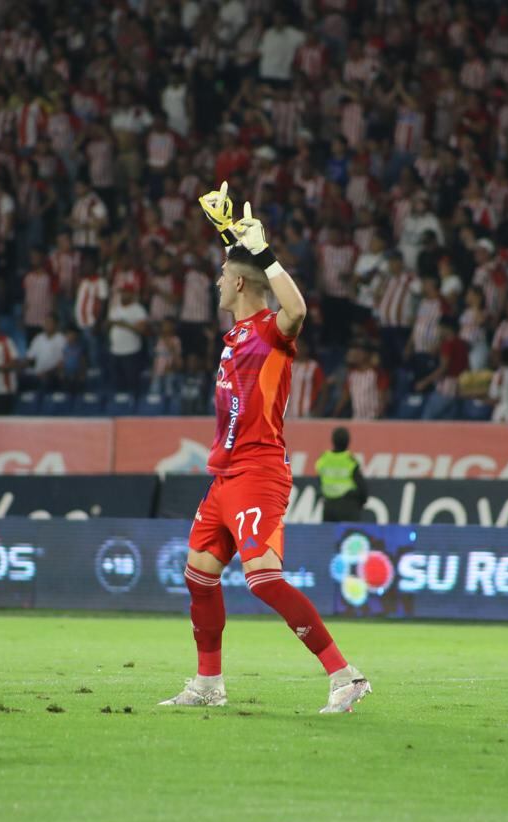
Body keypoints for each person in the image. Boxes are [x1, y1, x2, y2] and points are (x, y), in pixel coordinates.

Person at [161, 183, 369, 714]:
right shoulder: (234, 335)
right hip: (225, 476)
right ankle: (209, 685)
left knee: (262, 578)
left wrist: (265, 253)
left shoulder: (272, 331)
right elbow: (245, 268)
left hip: (259, 472)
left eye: (221, 278)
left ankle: (345, 675)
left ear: (237, 284)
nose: (215, 283)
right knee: (198, 572)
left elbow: (295, 309)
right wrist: (235, 236)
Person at [316, 427, 369, 522]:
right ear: (348, 442)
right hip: (348, 507)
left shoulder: (323, 459)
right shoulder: (350, 461)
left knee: (328, 536)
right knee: (350, 535)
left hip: (328, 507)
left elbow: (319, 482)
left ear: (332, 440)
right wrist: (361, 503)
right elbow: (362, 489)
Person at [106, 283, 150, 395]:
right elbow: (109, 326)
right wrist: (107, 324)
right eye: (122, 292)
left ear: (132, 294)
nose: (123, 295)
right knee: (118, 383)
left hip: (131, 351)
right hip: (115, 350)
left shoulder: (138, 309)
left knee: (132, 382)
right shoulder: (115, 308)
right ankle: (120, 407)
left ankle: (133, 407)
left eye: (126, 292)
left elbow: (142, 330)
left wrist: (125, 324)